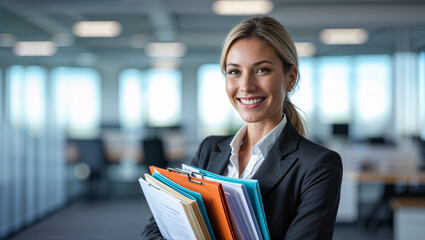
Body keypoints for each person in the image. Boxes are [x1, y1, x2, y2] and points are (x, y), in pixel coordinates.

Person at [142, 16, 342, 239]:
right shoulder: (210, 149)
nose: (246, 86)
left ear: (290, 78)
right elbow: (157, 229)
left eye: (262, 70)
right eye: (235, 72)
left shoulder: (317, 165)